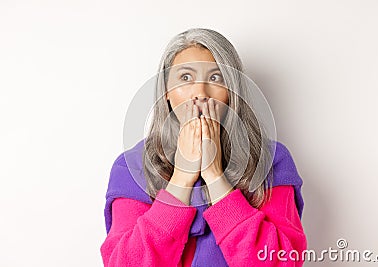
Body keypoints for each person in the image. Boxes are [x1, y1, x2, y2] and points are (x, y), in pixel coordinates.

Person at [100, 28, 307, 267]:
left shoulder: (271, 160)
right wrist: (181, 179)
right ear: (166, 91)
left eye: (215, 78)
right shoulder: (131, 166)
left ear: (231, 91)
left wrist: (215, 176)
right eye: (185, 78)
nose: (200, 93)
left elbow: (280, 262)